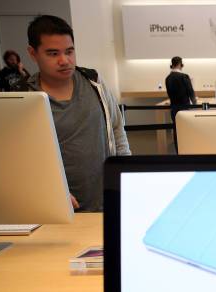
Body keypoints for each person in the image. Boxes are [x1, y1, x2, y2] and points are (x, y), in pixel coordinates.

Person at [14, 15, 131, 211]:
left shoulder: (94, 82)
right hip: (53, 210)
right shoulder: (24, 97)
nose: (64, 60)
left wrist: (125, 173)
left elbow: (117, 128)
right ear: (33, 54)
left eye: (69, 51)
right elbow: (18, 159)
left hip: (106, 202)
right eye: (53, 54)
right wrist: (48, 189)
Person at [165, 56, 196, 151]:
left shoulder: (168, 78)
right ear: (180, 64)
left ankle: (178, 150)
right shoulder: (184, 77)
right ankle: (187, 149)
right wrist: (194, 103)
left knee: (176, 129)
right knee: (186, 129)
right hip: (184, 107)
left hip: (174, 107)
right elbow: (191, 92)